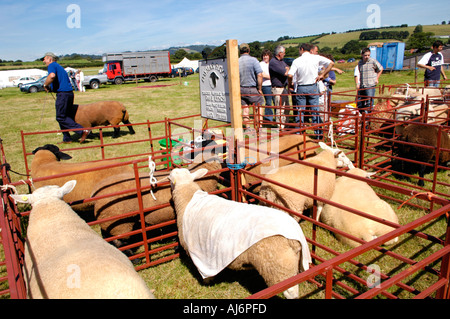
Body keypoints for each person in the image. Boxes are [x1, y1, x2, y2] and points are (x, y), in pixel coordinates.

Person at [288, 43, 334, 139]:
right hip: (313, 86)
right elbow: (331, 63)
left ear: (302, 49)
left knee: (300, 111)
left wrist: (290, 84)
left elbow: (290, 75)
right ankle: (318, 135)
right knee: (315, 111)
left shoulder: (297, 61)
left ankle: (299, 134)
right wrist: (323, 75)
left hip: (301, 87)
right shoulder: (315, 58)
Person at [42, 52, 90, 144]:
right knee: (65, 116)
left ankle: (83, 131)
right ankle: (67, 138)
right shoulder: (59, 67)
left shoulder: (52, 65)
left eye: (44, 59)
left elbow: (51, 76)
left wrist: (45, 84)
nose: (44, 61)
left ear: (50, 59)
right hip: (69, 93)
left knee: (60, 117)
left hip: (62, 94)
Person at [239, 43, 264, 132]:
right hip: (252, 88)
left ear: (240, 51)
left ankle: (248, 129)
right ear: (249, 50)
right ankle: (259, 127)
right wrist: (260, 88)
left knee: (245, 109)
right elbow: (260, 75)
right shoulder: (253, 60)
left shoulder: (237, 61)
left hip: (241, 89)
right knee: (259, 106)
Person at [354, 48, 383, 114]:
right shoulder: (360, 63)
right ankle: (362, 115)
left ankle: (368, 116)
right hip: (362, 84)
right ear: (362, 55)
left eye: (368, 55)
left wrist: (376, 78)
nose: (367, 57)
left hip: (370, 84)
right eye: (365, 55)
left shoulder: (373, 61)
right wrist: (358, 83)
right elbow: (359, 73)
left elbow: (380, 69)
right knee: (360, 101)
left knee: (369, 101)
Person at [269, 45, 290, 129]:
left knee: (286, 108)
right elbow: (285, 72)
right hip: (277, 88)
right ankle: (280, 127)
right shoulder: (273, 62)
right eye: (284, 53)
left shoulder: (281, 61)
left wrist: (287, 69)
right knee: (280, 108)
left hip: (283, 87)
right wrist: (287, 70)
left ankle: (286, 125)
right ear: (280, 53)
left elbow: (287, 68)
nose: (284, 54)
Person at [259, 49, 274, 122]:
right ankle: (268, 118)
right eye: (264, 55)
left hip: (273, 85)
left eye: (266, 55)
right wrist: (273, 77)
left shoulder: (271, 63)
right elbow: (262, 75)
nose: (265, 57)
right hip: (265, 85)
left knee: (275, 102)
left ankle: (276, 117)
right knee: (268, 102)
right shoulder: (260, 64)